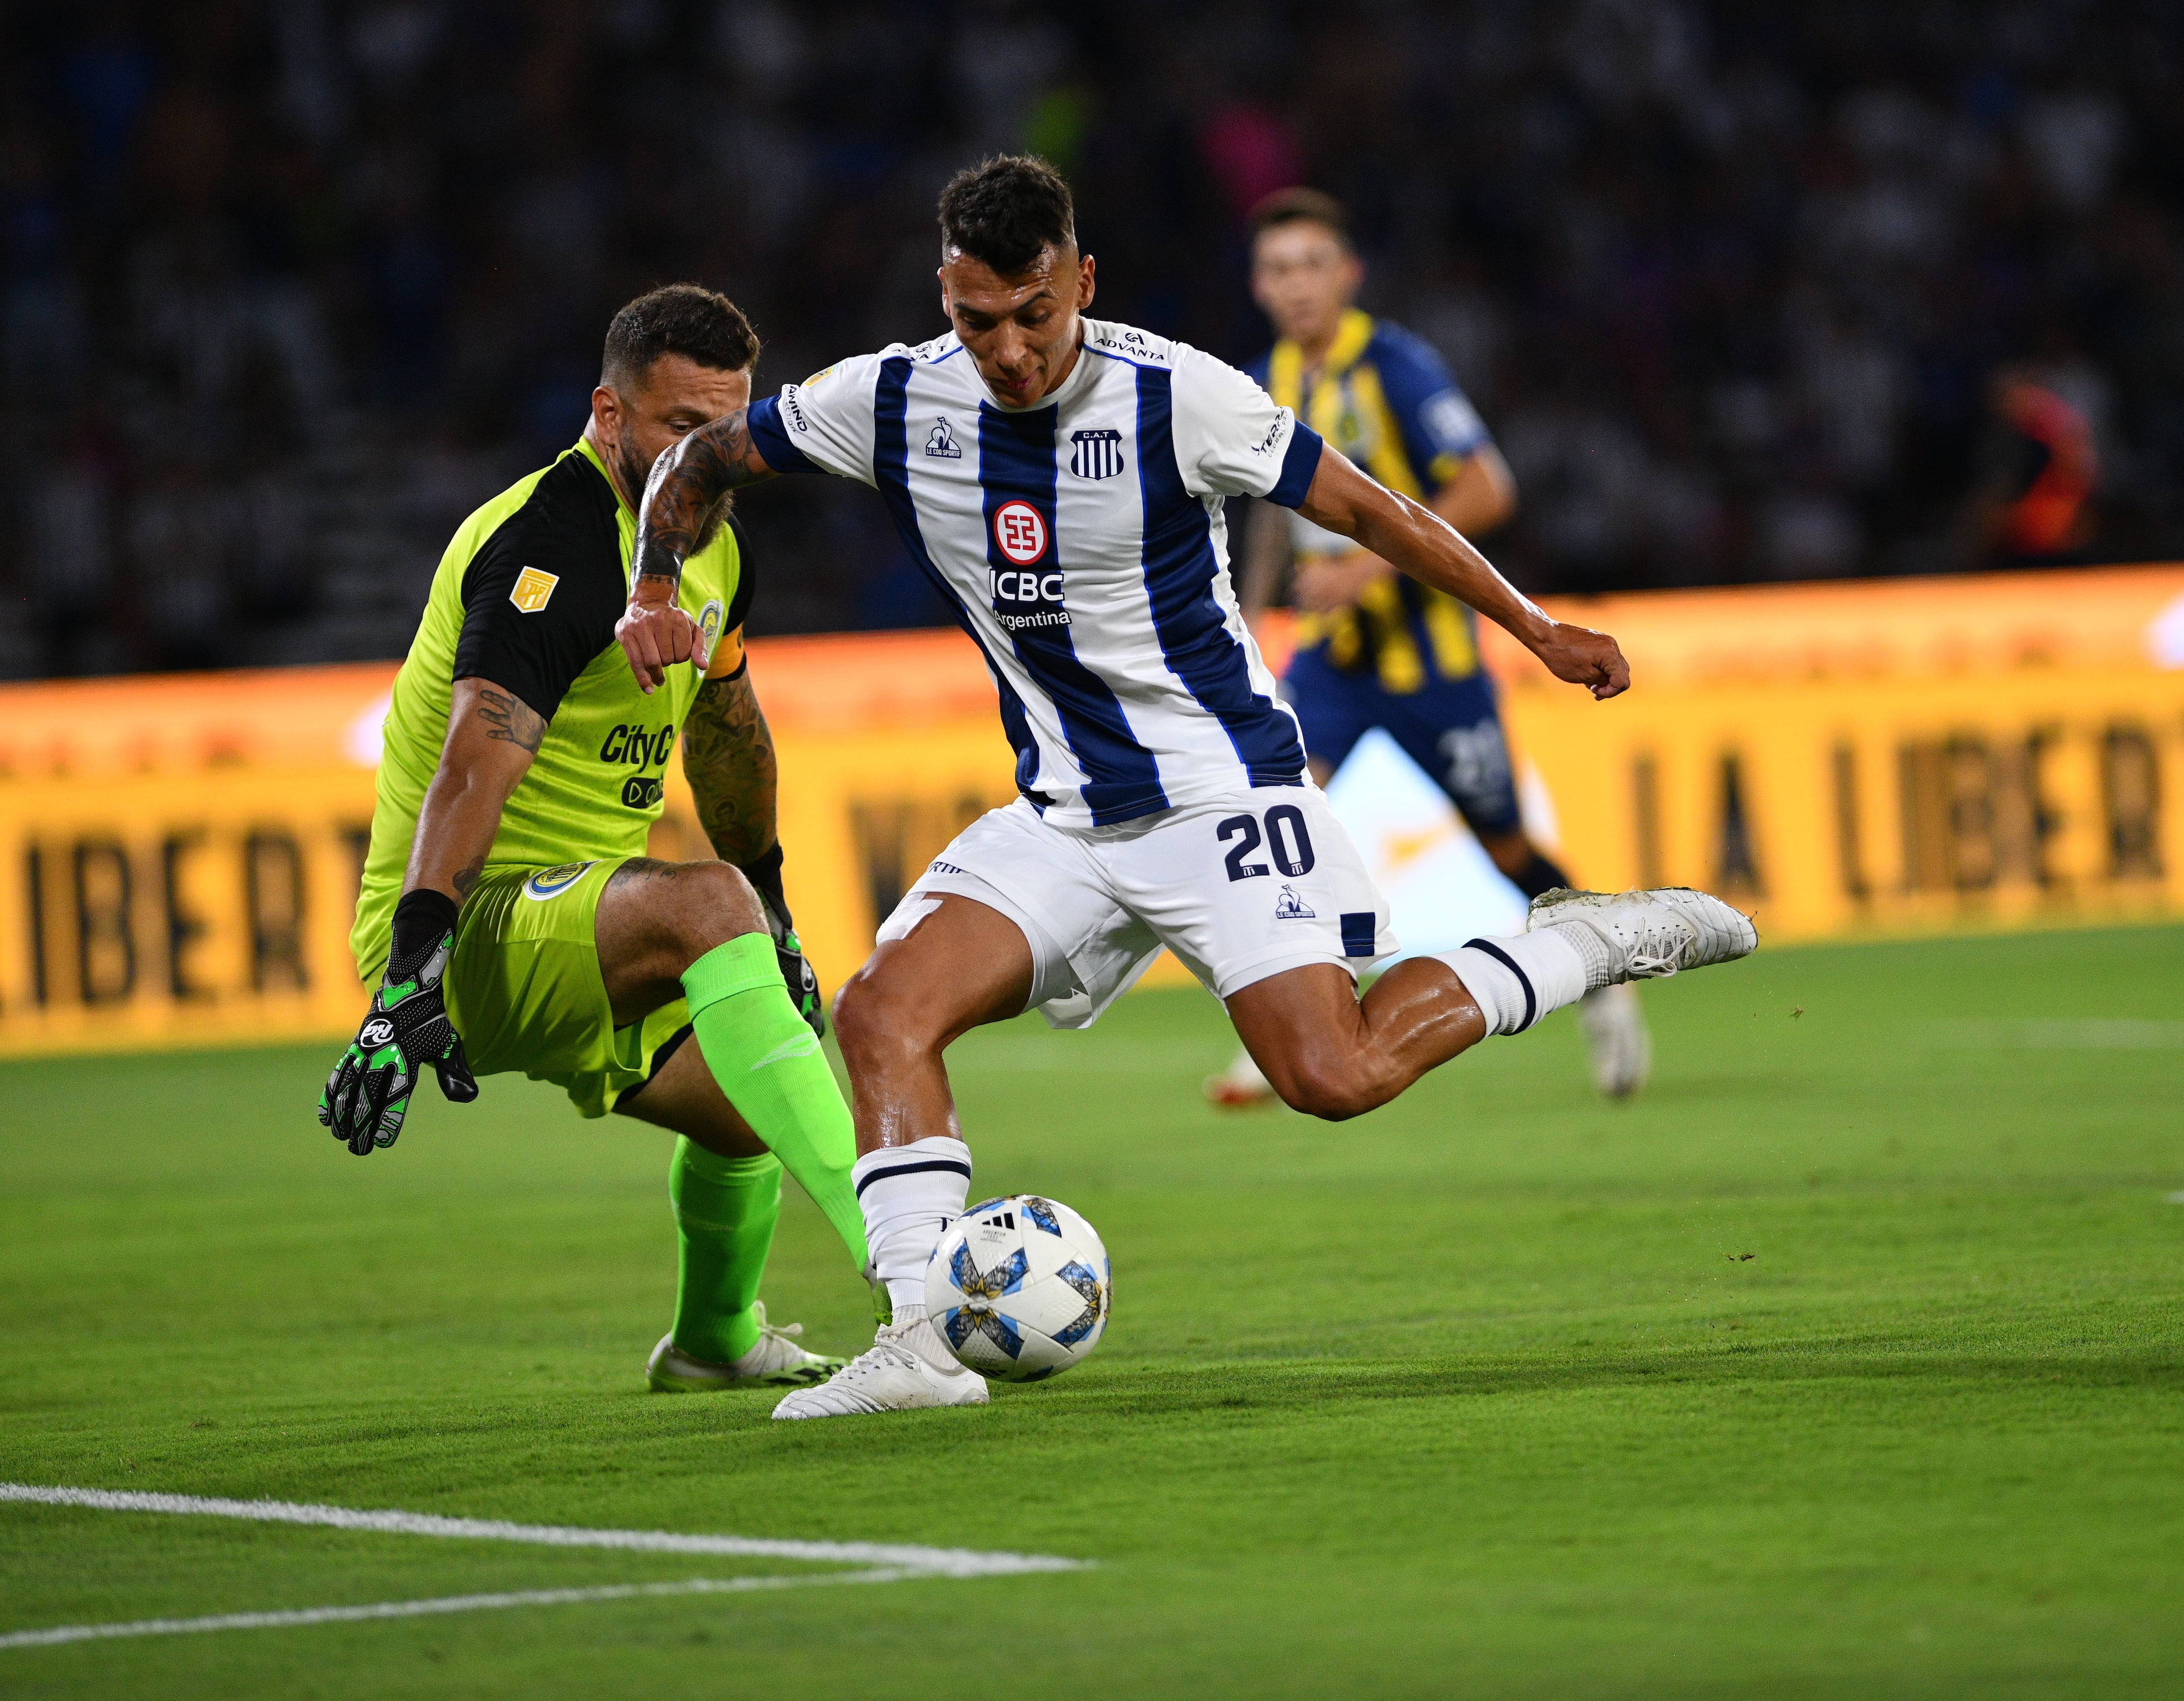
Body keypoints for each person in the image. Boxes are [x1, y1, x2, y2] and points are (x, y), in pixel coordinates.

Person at [615, 156, 1756, 1418]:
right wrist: (652, 588)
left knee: (1334, 1073)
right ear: (944, 296)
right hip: (1063, 815)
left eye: (1033, 315)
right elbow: (698, 463)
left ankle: (1580, 939)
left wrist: (1534, 626)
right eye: (975, 319)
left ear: (1082, 283)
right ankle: (922, 1338)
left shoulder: (1178, 395)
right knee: (882, 1011)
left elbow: (1371, 511)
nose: (1005, 349)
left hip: (1220, 795)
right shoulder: (888, 400)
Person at [327, 283, 873, 1392]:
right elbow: (470, 768)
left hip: (585, 923)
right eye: (681, 427)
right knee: (705, 901)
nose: (706, 454)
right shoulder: (553, 541)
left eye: (726, 426)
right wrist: (408, 972)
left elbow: (726, 737)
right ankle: (917, 1268)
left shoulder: (711, 548)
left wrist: (777, 913)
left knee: (750, 1104)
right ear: (610, 414)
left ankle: (713, 1341)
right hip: (463, 927)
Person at [1203, 188, 1653, 1106]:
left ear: (1348, 274)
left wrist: (1364, 576)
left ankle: (1604, 975)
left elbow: (1489, 488)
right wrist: (1251, 614)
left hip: (1433, 662)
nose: (1295, 286)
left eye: (1312, 265)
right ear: (1258, 283)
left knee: (1505, 847)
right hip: (1329, 665)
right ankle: (1292, 1026)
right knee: (1276, 822)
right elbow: (1272, 515)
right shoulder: (1258, 382)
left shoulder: (1398, 367)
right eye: (1278, 269)